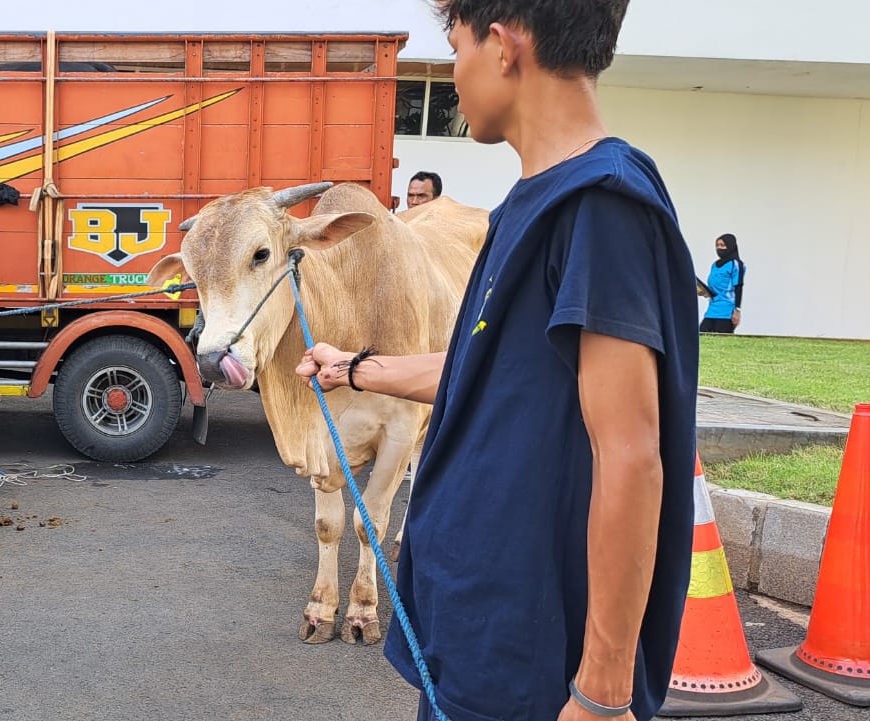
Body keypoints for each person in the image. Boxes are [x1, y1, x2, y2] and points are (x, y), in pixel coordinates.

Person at [295, 2, 698, 720]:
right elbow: (487, 370)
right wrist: (354, 368)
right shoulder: (527, 205)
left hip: (535, 668)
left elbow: (631, 454)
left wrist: (602, 690)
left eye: (454, 49)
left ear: (505, 48)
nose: (452, 77)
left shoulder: (600, 207)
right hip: (479, 641)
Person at [698, 233, 745, 333]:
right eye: (717, 245)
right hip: (712, 308)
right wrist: (704, 292)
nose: (719, 248)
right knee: (702, 334)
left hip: (726, 309)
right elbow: (715, 286)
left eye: (722, 245)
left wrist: (737, 310)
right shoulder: (714, 265)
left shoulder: (735, 264)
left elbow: (739, 287)